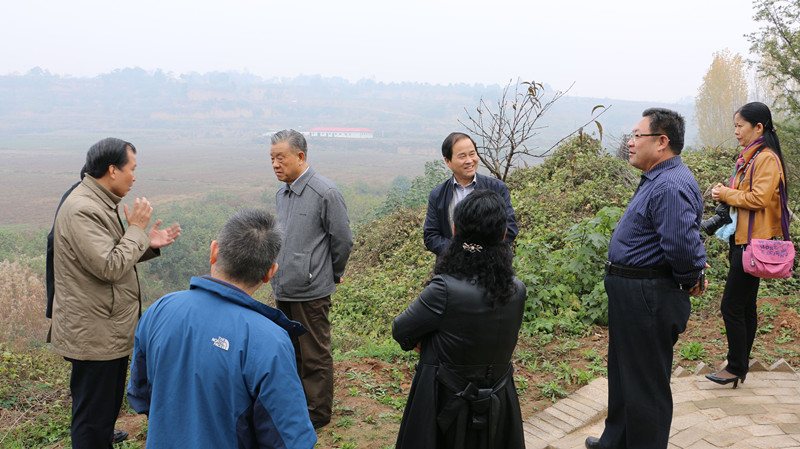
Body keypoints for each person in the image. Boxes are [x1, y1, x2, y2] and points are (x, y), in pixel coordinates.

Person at [127, 209, 317, 449]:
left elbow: (139, 394)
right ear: (270, 272)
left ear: (214, 251)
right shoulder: (269, 341)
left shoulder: (161, 309)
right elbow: (288, 439)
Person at [585, 109, 708, 449]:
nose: (630, 141)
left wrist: (690, 275)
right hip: (634, 293)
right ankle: (617, 440)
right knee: (626, 374)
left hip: (648, 295)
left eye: (638, 135)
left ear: (662, 142)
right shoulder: (659, 178)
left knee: (645, 385)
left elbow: (681, 244)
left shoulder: (669, 184)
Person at [49, 137, 180, 449]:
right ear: (112, 170)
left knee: (102, 410)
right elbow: (109, 266)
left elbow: (105, 255)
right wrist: (136, 230)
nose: (134, 177)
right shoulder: (83, 209)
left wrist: (146, 243)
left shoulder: (99, 202)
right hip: (94, 334)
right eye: (131, 169)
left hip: (104, 328)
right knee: (92, 418)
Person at [393, 189, 527, 449]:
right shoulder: (517, 289)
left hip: (445, 401)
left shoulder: (444, 290)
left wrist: (427, 340)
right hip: (500, 400)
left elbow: (401, 329)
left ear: (455, 230)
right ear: (503, 235)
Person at [268, 129, 353, 429]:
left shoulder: (325, 192)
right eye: (272, 159)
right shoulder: (282, 193)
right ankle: (300, 404)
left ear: (300, 156)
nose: (276, 164)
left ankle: (317, 414)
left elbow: (342, 240)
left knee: (314, 353)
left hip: (311, 289)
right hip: (284, 286)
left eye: (281, 158)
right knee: (292, 351)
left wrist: (333, 274)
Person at [706, 102, 788, 388]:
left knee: (731, 305)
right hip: (741, 239)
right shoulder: (750, 157)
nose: (736, 131)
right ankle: (738, 364)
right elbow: (747, 194)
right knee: (746, 306)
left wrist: (726, 193)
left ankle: (736, 365)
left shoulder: (765, 158)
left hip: (751, 243)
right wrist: (725, 193)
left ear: (759, 128)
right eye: (735, 126)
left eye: (740, 126)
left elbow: (759, 199)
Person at [423, 132, 518, 256]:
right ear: (448, 161)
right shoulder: (438, 195)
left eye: (472, 154)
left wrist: (478, 250)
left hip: (492, 266)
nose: (469, 161)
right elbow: (431, 236)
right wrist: (459, 252)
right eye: (462, 156)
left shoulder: (497, 188)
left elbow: (510, 228)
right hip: (453, 268)